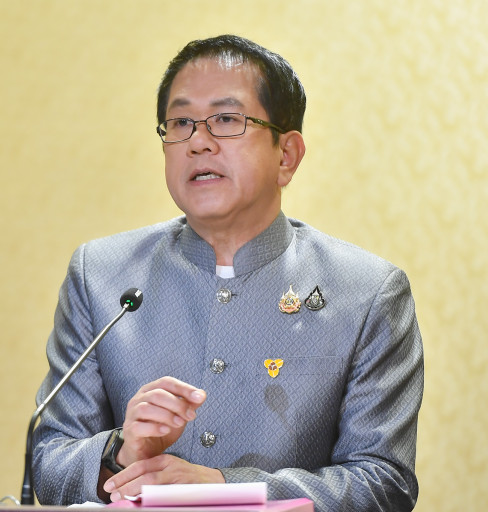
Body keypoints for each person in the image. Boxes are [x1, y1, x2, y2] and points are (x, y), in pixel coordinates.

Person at [31, 34, 423, 512]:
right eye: (180, 123)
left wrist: (224, 487)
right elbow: (48, 463)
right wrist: (121, 453)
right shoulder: (101, 276)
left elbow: (384, 483)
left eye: (226, 120)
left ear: (286, 156)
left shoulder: (367, 293)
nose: (198, 142)